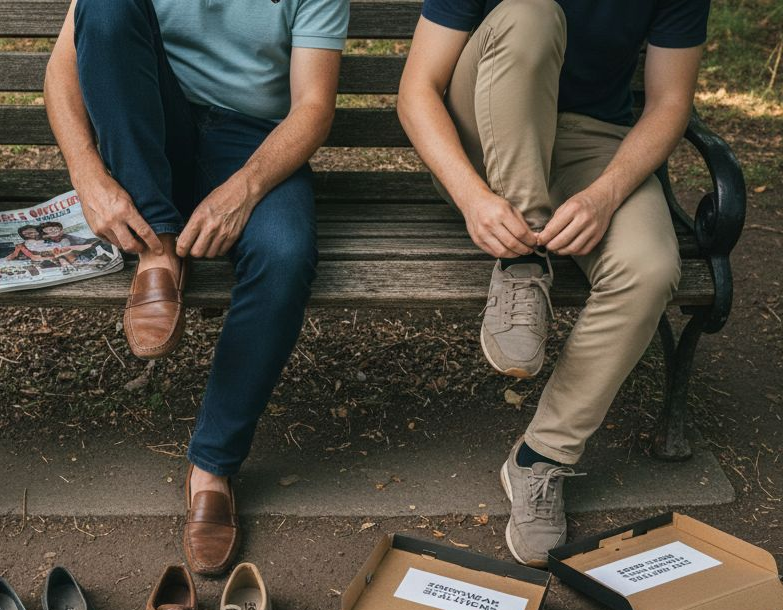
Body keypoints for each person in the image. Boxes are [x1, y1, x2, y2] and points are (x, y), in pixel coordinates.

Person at [397, 0, 708, 566]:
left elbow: (669, 102)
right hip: (486, 137)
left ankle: (541, 458)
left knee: (649, 268)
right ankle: (522, 262)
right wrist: (472, 198)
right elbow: (418, 89)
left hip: (593, 146)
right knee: (531, 11)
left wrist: (606, 194)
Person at [44, 0, 349, 576]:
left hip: (253, 143)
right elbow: (64, 69)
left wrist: (245, 189)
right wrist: (88, 175)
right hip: (149, 129)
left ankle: (213, 466)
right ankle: (158, 251)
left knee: (285, 256)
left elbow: (312, 106)